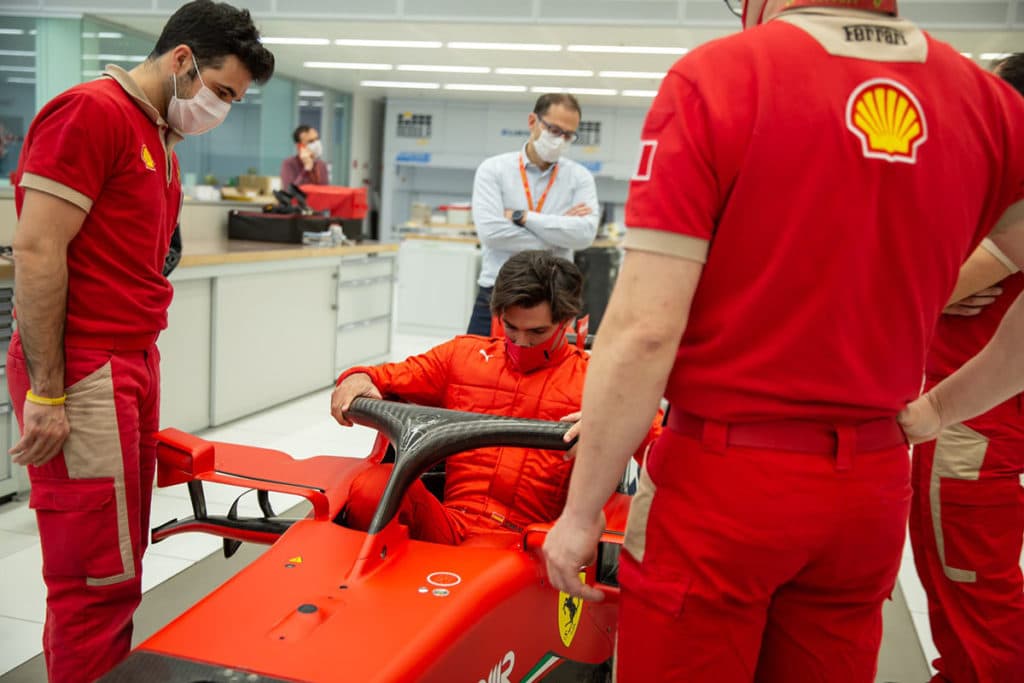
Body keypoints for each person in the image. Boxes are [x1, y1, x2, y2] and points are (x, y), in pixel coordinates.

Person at [540, 1, 1024, 682]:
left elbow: (646, 328)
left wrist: (582, 509)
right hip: (871, 487)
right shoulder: (990, 105)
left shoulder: (722, 77)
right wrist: (943, 408)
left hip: (723, 481)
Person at [6, 2, 274, 680]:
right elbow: (38, 251)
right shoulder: (90, 112)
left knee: (120, 565)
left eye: (234, 100)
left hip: (132, 359)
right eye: (221, 92)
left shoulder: (157, 137)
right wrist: (46, 388)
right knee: (96, 580)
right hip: (86, 367)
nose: (223, 109)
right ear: (182, 60)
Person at [331, 250, 660, 544]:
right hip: (449, 527)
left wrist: (614, 429)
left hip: (537, 547)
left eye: (537, 332)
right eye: (511, 327)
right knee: (369, 487)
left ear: (567, 321)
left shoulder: (601, 380)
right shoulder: (462, 356)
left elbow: (665, 452)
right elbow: (379, 377)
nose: (521, 342)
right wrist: (355, 378)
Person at [905, 53, 1024, 683]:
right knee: (949, 576)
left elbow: (916, 289)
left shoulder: (1014, 196)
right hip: (965, 417)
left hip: (974, 424)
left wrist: (939, 282)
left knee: (972, 584)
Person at [467, 93, 599, 336]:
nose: (560, 140)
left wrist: (524, 218)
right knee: (477, 369)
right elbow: (492, 233)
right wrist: (560, 231)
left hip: (555, 297)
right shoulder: (494, 170)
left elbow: (584, 236)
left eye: (568, 135)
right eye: (554, 130)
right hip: (498, 292)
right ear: (532, 122)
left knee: (547, 373)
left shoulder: (579, 178)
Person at [280, 124, 329, 188]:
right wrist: (306, 170)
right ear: (300, 146)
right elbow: (289, 191)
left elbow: (325, 190)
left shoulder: (321, 165)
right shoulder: (289, 163)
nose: (316, 144)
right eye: (311, 141)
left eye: (317, 139)